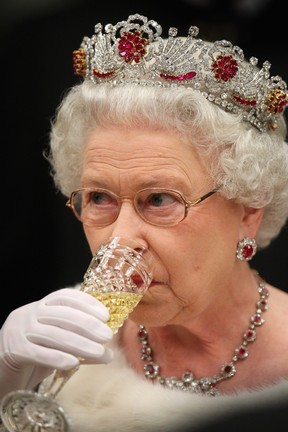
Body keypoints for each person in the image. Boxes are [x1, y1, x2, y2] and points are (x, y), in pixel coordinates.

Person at [1, 11, 288, 432]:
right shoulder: (60, 332)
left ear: (248, 210)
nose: (120, 238)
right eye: (98, 197)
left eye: (158, 199)